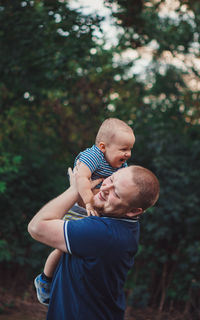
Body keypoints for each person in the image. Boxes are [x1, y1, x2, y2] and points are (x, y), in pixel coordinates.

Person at [28, 164, 159, 320]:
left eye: (115, 193)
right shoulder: (122, 222)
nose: (105, 188)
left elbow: (36, 227)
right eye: (111, 179)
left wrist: (75, 190)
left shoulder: (103, 233)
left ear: (133, 211)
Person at [33, 117, 135, 305]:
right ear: (103, 147)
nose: (128, 154)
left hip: (98, 211)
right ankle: (44, 280)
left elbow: (121, 187)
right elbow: (81, 180)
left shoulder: (120, 165)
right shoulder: (92, 156)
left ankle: (69, 287)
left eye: (129, 149)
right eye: (123, 149)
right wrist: (88, 201)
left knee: (80, 251)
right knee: (61, 248)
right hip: (80, 206)